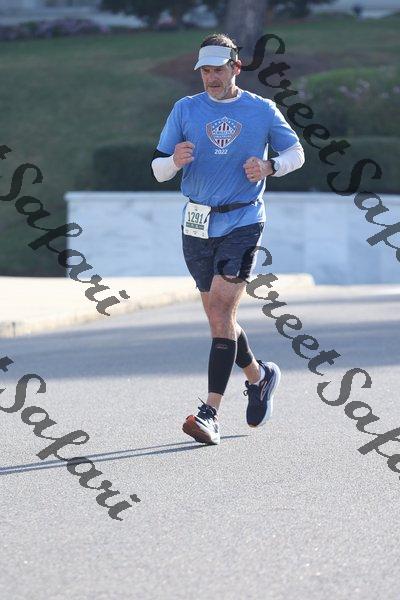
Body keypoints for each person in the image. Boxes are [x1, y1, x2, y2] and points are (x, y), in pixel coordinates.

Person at [151, 33, 305, 445]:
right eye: (204, 70)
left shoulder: (261, 109)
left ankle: (210, 413)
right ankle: (259, 376)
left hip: (243, 220)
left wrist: (270, 167)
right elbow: (157, 168)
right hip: (197, 223)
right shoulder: (185, 109)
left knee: (221, 311)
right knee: (220, 320)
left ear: (236, 67)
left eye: (218, 69)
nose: (211, 77)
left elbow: (296, 153)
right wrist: (173, 161)